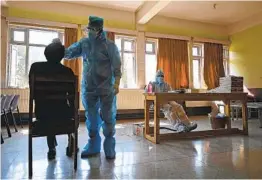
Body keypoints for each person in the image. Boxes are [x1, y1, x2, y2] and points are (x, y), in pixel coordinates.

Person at [53, 16, 121, 159]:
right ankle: (93, 145)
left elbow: (117, 66)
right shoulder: (84, 44)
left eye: (92, 29)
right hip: (89, 88)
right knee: (91, 117)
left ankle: (109, 146)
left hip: (107, 88)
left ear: (100, 30)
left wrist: (117, 83)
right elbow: (69, 53)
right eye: (88, 29)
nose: (90, 31)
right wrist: (58, 47)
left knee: (108, 117)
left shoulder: (110, 46)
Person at [29, 42, 76, 160]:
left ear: (46, 53)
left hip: (42, 114)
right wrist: (73, 114)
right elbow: (72, 96)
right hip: (64, 115)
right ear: (62, 56)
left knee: (48, 109)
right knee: (64, 109)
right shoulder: (67, 72)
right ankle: (71, 141)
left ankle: (51, 148)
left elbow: (33, 92)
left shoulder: (35, 68)